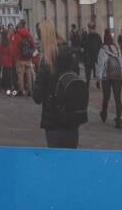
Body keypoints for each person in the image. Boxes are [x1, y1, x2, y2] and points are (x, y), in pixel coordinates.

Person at [33, 19, 86, 148]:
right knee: (70, 158)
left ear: (42, 36)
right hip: (72, 116)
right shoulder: (69, 54)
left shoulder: (46, 61)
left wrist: (36, 74)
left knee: (55, 159)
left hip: (53, 119)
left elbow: (37, 97)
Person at [98, 28, 122, 128]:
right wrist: (121, 75)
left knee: (106, 97)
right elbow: (120, 62)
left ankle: (104, 113)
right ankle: (118, 120)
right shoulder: (116, 48)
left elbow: (101, 65)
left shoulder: (102, 49)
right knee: (118, 98)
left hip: (106, 76)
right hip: (117, 75)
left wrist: (98, 78)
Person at [14, 21, 35, 97]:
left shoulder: (17, 34)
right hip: (28, 58)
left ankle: (21, 90)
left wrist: (16, 56)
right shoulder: (29, 34)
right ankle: (30, 90)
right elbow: (33, 45)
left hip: (20, 58)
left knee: (20, 75)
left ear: (20, 25)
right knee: (29, 74)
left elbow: (15, 46)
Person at [82, 21, 102, 88]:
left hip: (89, 56)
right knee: (97, 70)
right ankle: (98, 82)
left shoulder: (88, 37)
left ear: (89, 28)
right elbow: (100, 46)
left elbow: (85, 47)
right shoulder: (98, 36)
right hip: (96, 56)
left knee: (88, 71)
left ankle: (87, 83)